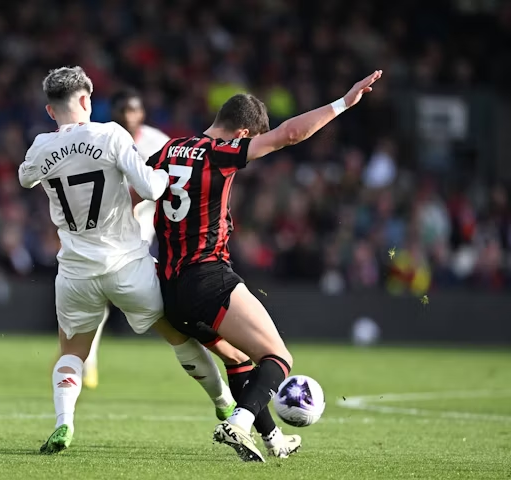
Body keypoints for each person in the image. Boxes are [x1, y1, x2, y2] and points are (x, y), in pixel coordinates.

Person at [146, 70, 383, 462]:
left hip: (169, 291)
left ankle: (273, 440)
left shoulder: (168, 150)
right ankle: (238, 423)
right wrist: (343, 103)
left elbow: (137, 189)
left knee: (239, 360)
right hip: (206, 277)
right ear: (241, 133)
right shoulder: (219, 153)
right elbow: (290, 134)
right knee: (277, 358)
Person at [19, 66, 241, 454]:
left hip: (75, 271)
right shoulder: (111, 134)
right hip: (127, 263)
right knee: (178, 336)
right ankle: (223, 402)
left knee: (72, 352)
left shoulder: (40, 146)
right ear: (87, 100)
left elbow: (26, 178)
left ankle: (64, 422)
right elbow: (152, 187)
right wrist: (165, 176)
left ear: (51, 111)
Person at [80, 88, 170, 390]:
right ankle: (87, 360)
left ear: (142, 113)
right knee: (99, 295)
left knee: (142, 295)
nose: (128, 116)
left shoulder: (158, 142)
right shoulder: (101, 138)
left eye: (133, 110)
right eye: (122, 111)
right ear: (114, 113)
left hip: (142, 227)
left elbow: (168, 183)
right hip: (105, 226)